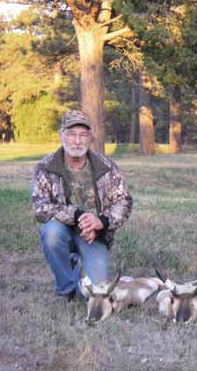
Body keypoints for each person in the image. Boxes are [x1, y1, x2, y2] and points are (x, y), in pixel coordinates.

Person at [31, 110, 133, 301]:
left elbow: (124, 202)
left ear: (90, 138)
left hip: (94, 236)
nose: (77, 141)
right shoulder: (45, 167)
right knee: (51, 233)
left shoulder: (107, 166)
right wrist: (77, 215)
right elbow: (40, 207)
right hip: (62, 230)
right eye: (71, 134)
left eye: (83, 135)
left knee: (94, 294)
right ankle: (66, 288)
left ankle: (78, 268)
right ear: (61, 136)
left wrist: (101, 222)